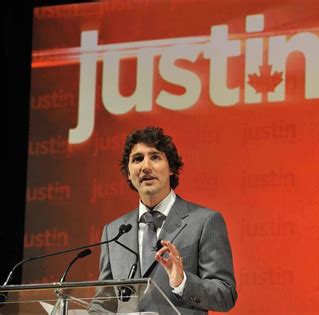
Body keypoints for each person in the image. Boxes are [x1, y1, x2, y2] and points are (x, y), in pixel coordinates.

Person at [92, 126, 237, 314]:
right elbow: (105, 302)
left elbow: (225, 295)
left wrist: (182, 282)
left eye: (155, 157)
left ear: (171, 168)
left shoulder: (205, 221)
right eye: (137, 159)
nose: (145, 167)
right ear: (128, 173)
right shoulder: (114, 231)